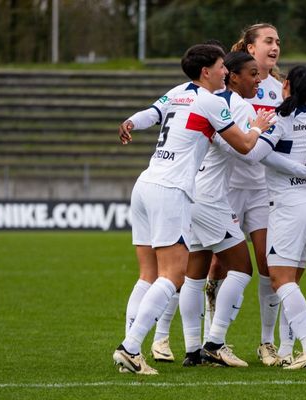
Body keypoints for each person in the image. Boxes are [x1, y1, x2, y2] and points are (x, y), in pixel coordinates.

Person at [112, 43, 274, 375]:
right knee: (172, 276)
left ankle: (139, 345)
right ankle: (130, 348)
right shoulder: (210, 101)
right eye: (220, 67)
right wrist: (259, 126)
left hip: (145, 184)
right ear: (206, 72)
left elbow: (149, 115)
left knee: (148, 275)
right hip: (172, 191)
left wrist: (130, 121)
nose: (225, 72)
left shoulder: (179, 92)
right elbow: (244, 145)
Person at [203, 23, 306, 367]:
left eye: (278, 41)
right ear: (250, 47)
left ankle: (267, 343)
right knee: (216, 265)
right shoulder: (225, 90)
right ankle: (204, 340)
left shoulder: (278, 90)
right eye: (268, 41)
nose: (275, 47)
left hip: (266, 191)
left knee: (269, 267)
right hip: (229, 188)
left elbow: (286, 137)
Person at [179, 51, 306, 368]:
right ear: (233, 76)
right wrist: (256, 129)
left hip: (197, 193)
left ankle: (192, 350)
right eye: (253, 74)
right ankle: (214, 344)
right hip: (214, 197)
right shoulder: (237, 105)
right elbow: (245, 149)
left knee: (196, 271)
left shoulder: (209, 100)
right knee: (242, 269)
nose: (259, 79)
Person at [241, 65, 306, 369]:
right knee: (291, 284)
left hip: (289, 207)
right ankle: (288, 349)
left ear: (285, 84)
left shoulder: (278, 119)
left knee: (279, 281)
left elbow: (253, 154)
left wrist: (254, 128)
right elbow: (304, 155)